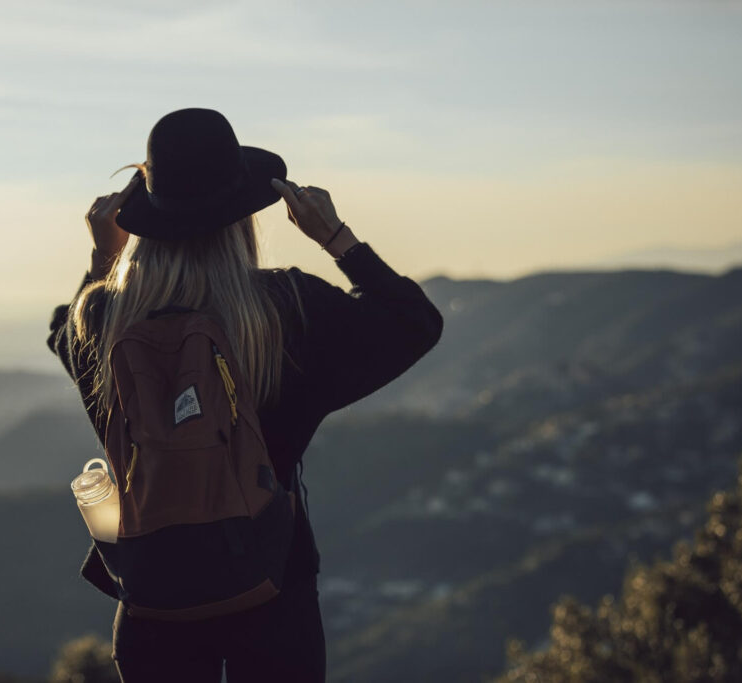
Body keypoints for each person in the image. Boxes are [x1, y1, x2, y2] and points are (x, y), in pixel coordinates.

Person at [46, 108, 444, 682]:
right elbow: (414, 323)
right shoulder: (288, 311)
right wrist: (336, 238)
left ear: (146, 219)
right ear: (242, 217)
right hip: (274, 589)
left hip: (152, 597)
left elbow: (66, 333)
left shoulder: (103, 321)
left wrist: (103, 259)